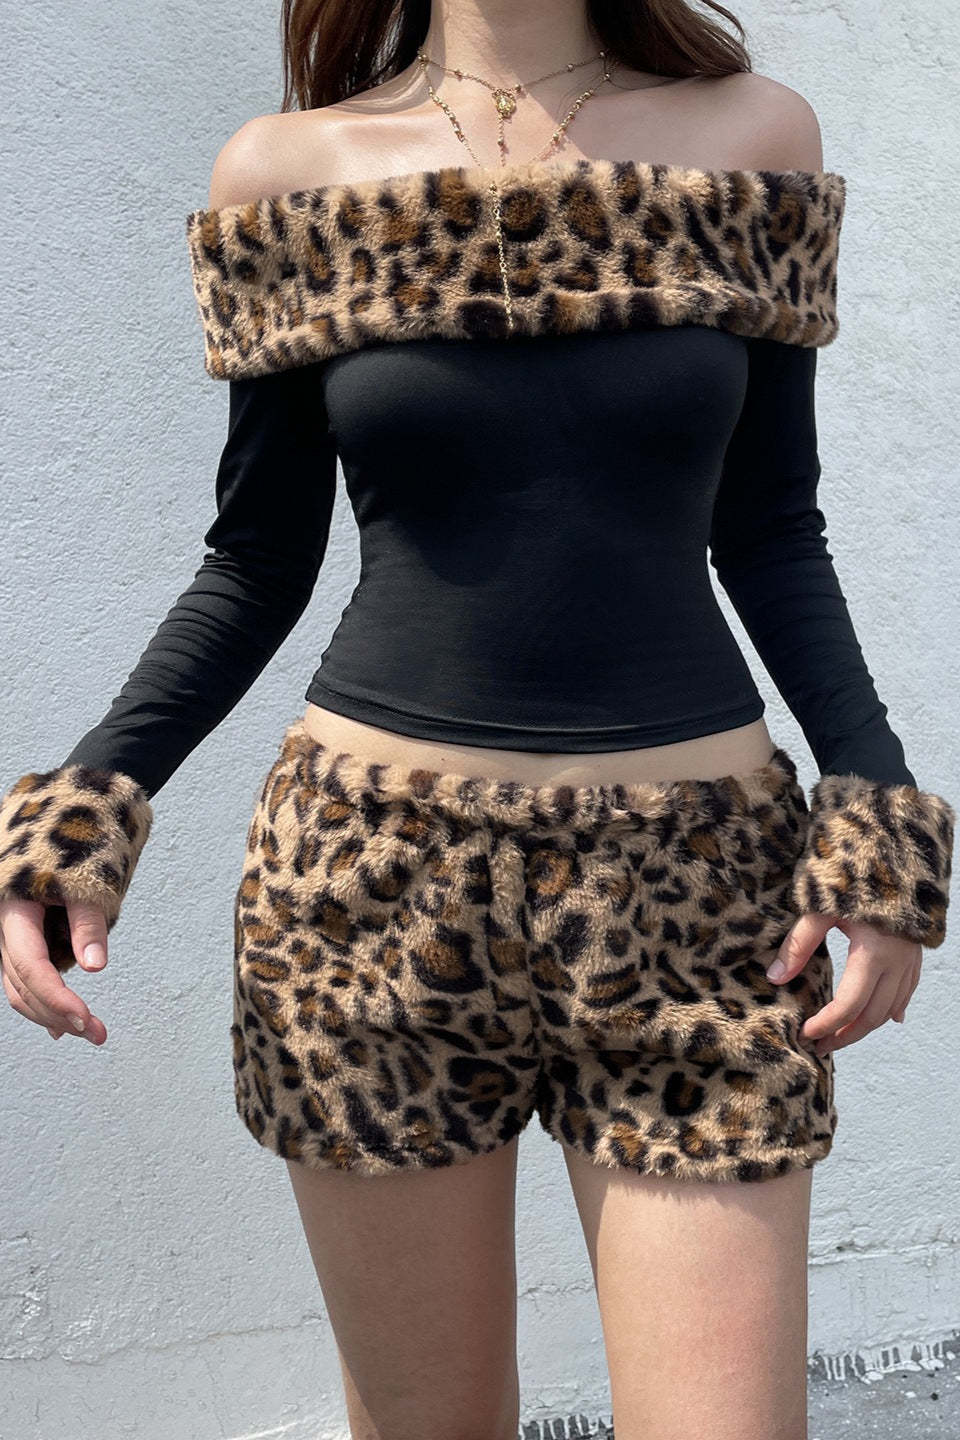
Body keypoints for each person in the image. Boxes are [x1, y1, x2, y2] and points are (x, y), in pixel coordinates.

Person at [0, 2, 955, 1437]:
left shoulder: (754, 138)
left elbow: (771, 528)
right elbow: (255, 559)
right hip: (367, 894)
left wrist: (873, 812)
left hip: (702, 898)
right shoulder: (287, 169)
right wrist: (82, 810)